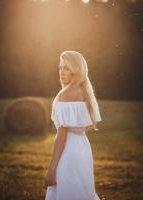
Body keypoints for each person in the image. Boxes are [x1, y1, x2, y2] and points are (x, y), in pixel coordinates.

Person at [45, 50, 102, 200]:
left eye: (66, 68)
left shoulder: (64, 95)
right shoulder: (86, 93)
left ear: (76, 71)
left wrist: (51, 169)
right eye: (60, 68)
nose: (61, 72)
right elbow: (83, 127)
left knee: (66, 192)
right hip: (83, 148)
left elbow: (62, 136)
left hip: (68, 152)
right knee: (82, 191)